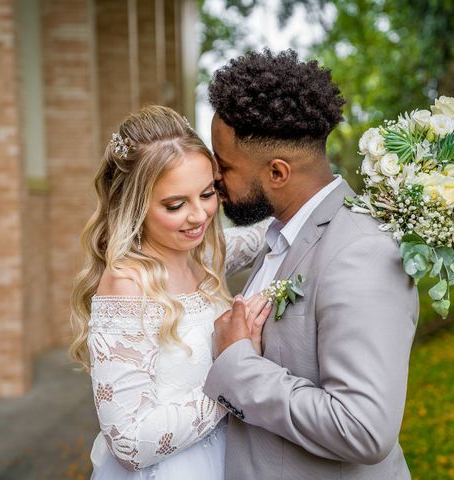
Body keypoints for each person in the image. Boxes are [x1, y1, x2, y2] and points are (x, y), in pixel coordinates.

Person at [204, 49, 419, 479]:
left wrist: (237, 364)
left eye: (224, 164)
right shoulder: (283, 234)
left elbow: (364, 429)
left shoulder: (361, 252)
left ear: (278, 173)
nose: (213, 177)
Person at [69, 105, 271, 479]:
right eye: (175, 205)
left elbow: (270, 233)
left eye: (207, 193)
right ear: (134, 205)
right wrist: (233, 379)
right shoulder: (128, 286)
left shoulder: (205, 255)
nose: (199, 215)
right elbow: (128, 442)